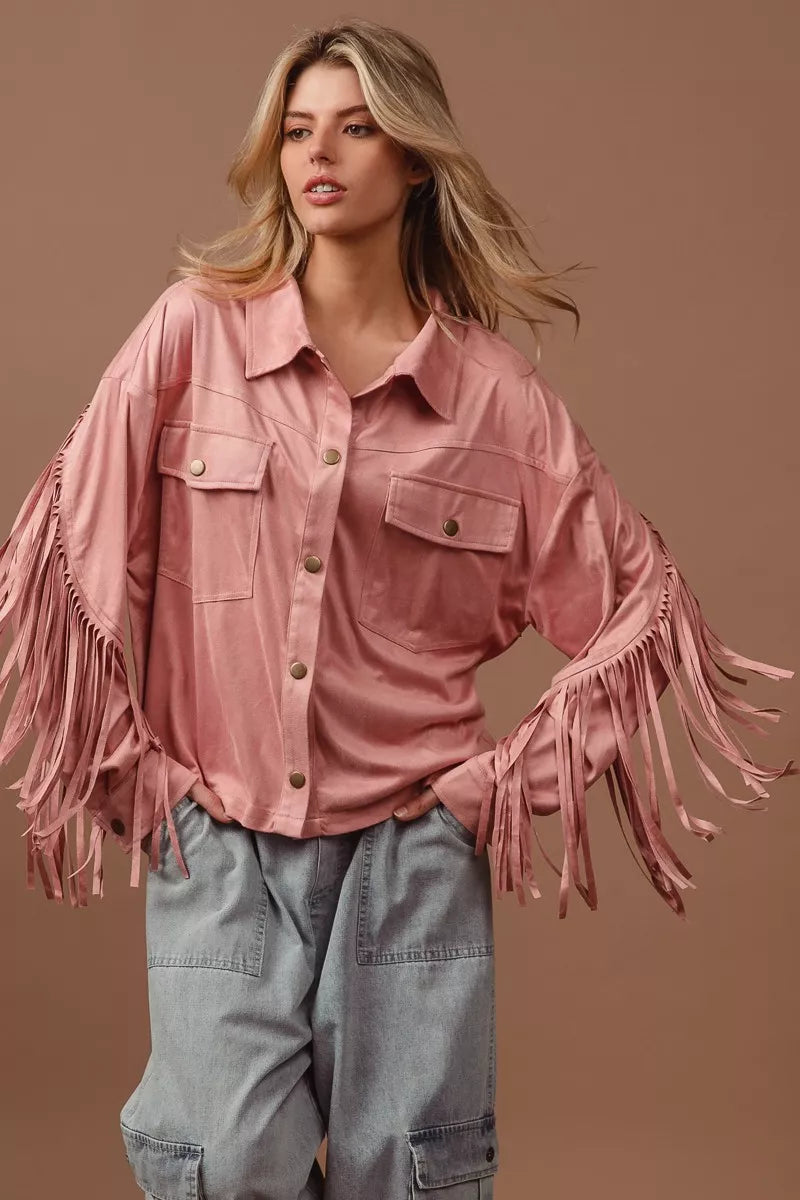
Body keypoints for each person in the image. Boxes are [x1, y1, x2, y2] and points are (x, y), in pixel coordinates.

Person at [0, 17, 795, 1200]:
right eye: (296, 130)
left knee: (409, 1179)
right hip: (219, 845)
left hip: (409, 860)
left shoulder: (495, 400)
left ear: (415, 158)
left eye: (356, 128)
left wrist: (490, 795)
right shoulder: (192, 333)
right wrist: (130, 775)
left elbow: (640, 610)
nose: (317, 154)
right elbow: (66, 553)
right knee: (221, 1165)